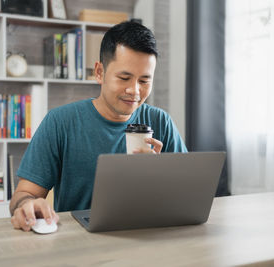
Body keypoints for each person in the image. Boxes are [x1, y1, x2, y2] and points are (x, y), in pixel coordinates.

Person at [10, 21, 187, 231]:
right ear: (100, 72)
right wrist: (27, 205)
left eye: (144, 80)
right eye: (124, 78)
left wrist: (157, 175)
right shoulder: (61, 122)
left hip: (147, 236)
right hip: (79, 243)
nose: (135, 90)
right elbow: (22, 195)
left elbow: (187, 196)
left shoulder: (161, 122)